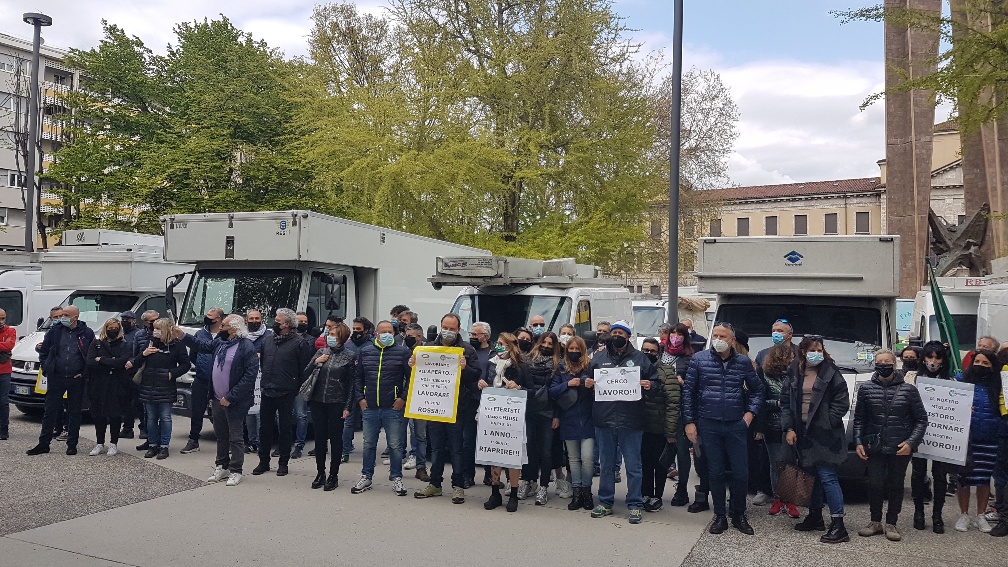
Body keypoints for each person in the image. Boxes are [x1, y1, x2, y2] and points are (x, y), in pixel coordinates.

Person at [683, 322, 765, 536]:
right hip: (708, 424)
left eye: (723, 336)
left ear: (732, 340)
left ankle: (738, 513)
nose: (718, 339)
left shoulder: (744, 363)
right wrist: (689, 422)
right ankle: (720, 516)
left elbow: (758, 390)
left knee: (740, 472)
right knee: (715, 472)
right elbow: (688, 393)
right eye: (715, 335)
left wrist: (750, 414)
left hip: (735, 425)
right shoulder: (699, 360)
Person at [781, 336, 852, 544]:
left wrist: (827, 421)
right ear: (803, 351)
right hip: (802, 433)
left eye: (820, 350)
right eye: (813, 350)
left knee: (828, 477)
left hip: (826, 434)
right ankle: (815, 517)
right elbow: (785, 401)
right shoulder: (794, 370)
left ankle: (839, 525)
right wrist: (789, 428)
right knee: (809, 477)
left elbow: (842, 401)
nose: (817, 354)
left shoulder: (831, 372)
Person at [854, 349, 928, 542]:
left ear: (894, 365)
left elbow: (921, 420)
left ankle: (892, 523)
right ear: (875, 364)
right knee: (875, 484)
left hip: (899, 446)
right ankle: (875, 522)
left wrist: (911, 443)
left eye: (888, 361)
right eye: (880, 362)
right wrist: (859, 441)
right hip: (875, 445)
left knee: (896, 485)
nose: (884, 365)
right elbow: (860, 419)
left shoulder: (909, 390)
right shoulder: (866, 388)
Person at [588, 320, 658, 525]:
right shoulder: (599, 357)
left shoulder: (640, 358)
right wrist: (588, 382)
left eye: (620, 332)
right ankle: (605, 502)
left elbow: (656, 382)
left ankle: (635, 504)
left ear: (627, 336)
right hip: (604, 419)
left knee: (634, 466)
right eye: (614, 332)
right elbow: (587, 379)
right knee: (607, 465)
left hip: (632, 420)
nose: (616, 335)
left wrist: (650, 385)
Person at [414, 314, 480, 503]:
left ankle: (458, 486)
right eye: (445, 327)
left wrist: (465, 368)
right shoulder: (428, 349)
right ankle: (435, 484)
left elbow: (475, 376)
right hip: (434, 406)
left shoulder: (467, 350)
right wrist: (412, 365)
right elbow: (418, 375)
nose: (448, 331)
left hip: (457, 408)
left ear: (458, 330)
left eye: (452, 328)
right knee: (435, 448)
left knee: (456, 448)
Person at [195, 314, 259, 487]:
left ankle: (236, 470)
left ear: (233, 329)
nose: (219, 328)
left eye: (223, 325)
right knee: (221, 435)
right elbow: (202, 345)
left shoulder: (246, 347)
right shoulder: (220, 342)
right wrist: (182, 336)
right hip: (216, 398)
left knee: (235, 437)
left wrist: (230, 397)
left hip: (234, 400)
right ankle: (221, 465)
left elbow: (249, 376)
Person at [248, 308, 312, 476]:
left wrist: (294, 386)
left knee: (285, 428)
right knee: (265, 428)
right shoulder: (268, 341)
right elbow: (264, 364)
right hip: (268, 389)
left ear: (288, 324)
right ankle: (263, 461)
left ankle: (283, 462)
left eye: (278, 320)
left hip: (286, 391)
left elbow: (304, 370)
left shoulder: (299, 343)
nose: (274, 322)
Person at [351, 320, 412, 497]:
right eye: (382, 331)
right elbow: (358, 377)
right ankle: (366, 476)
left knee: (395, 445)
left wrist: (402, 398)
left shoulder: (402, 352)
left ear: (393, 333)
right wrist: (360, 399)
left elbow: (411, 378)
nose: (386, 334)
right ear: (376, 334)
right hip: (370, 407)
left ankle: (396, 478)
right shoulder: (365, 351)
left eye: (389, 331)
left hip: (393, 407)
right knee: (369, 444)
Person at [27, 305, 95, 456]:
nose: (62, 317)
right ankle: (43, 444)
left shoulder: (87, 333)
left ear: (75, 317)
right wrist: (47, 368)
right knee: (50, 411)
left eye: (65, 315)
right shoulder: (54, 332)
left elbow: (90, 355)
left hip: (76, 378)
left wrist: (84, 373)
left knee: (74, 412)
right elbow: (44, 351)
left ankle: (72, 444)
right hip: (56, 376)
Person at [955, 349, 1004, 533]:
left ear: (992, 366)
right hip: (967, 438)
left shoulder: (999, 384)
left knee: (984, 479)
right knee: (964, 478)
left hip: (991, 437)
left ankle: (981, 515)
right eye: (977, 362)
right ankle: (964, 514)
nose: (980, 366)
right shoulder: (960, 381)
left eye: (985, 363)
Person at [304, 322, 355, 491]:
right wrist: (315, 362)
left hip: (337, 402)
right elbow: (305, 373)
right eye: (329, 334)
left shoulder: (350, 356)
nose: (330, 337)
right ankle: (320, 473)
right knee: (319, 439)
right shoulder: (321, 352)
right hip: (318, 401)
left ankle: (334, 475)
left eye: (334, 335)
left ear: (342, 338)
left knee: (335, 439)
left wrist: (347, 406)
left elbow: (351, 384)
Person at [483, 332, 531, 512]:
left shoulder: (521, 367)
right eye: (498, 342)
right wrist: (482, 384)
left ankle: (513, 494)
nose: (498, 346)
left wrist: (518, 388)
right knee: (495, 453)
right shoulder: (491, 363)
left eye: (502, 343)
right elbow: (486, 382)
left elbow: (532, 391)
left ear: (511, 347)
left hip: (513, 418)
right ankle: (495, 492)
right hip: (493, 415)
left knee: (512, 456)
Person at [910, 341, 954, 533]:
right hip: (917, 435)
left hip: (941, 436)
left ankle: (937, 515)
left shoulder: (952, 383)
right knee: (918, 473)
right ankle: (918, 512)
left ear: (943, 360)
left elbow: (956, 409)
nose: (933, 361)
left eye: (937, 357)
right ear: (923, 358)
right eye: (930, 357)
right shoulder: (912, 379)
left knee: (940, 474)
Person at [754, 336, 800, 519]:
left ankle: (791, 500)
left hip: (793, 426)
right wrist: (777, 403)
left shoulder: (797, 376)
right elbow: (760, 400)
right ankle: (778, 498)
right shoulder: (764, 376)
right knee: (775, 464)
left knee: (791, 463)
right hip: (772, 425)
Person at [663, 323, 707, 511]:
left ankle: (691, 491)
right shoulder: (661, 355)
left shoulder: (691, 357)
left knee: (689, 452)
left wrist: (683, 382)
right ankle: (671, 490)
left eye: (679, 334)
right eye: (673, 333)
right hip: (665, 409)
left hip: (685, 410)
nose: (675, 337)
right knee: (670, 453)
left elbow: (697, 383)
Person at [549, 335, 595, 511]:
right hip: (568, 419)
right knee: (573, 460)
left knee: (588, 459)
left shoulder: (590, 367)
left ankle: (587, 492)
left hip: (588, 419)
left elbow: (603, 388)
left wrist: (592, 385)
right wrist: (568, 383)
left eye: (578, 349)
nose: (574, 352)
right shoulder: (561, 368)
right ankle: (576, 493)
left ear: (583, 351)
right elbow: (552, 391)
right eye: (571, 349)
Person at [136, 318, 191, 459]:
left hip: (166, 385)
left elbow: (185, 364)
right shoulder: (150, 343)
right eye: (154, 328)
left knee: (165, 417)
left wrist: (172, 373)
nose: (155, 331)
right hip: (149, 384)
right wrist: (144, 354)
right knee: (151, 418)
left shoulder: (177, 345)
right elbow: (137, 361)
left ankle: (164, 446)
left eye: (158, 329)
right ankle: (153, 444)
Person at [519, 331, 561, 504]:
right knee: (530, 449)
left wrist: (557, 415)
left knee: (546, 451)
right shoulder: (527, 359)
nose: (546, 346)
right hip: (529, 409)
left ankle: (544, 486)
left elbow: (559, 393)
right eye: (544, 342)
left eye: (551, 344)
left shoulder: (558, 364)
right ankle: (530, 482)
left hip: (548, 411)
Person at [640, 337, 681, 513]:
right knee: (644, 464)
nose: (648, 353)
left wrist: (670, 431)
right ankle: (645, 494)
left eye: (652, 351)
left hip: (659, 428)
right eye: (645, 350)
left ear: (659, 352)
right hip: (640, 427)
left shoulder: (666, 372)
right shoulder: (634, 371)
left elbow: (673, 403)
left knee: (660, 465)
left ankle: (657, 496)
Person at [84, 318, 132, 456]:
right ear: (106, 328)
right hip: (98, 383)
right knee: (99, 415)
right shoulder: (97, 343)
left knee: (115, 415)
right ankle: (99, 443)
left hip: (116, 384)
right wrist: (110, 362)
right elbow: (90, 362)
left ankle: (113, 443)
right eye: (110, 328)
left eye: (115, 328)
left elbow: (121, 362)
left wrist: (103, 360)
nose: (112, 330)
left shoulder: (124, 344)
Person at [182, 307, 225, 455]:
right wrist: (202, 366)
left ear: (219, 318)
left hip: (219, 380)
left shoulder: (225, 335)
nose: (207, 318)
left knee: (221, 412)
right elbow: (194, 354)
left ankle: (226, 442)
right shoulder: (201, 333)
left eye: (210, 316)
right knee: (197, 410)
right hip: (202, 378)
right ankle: (193, 440)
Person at [464, 321, 493, 488]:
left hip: (490, 401)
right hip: (471, 400)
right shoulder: (468, 351)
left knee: (489, 440)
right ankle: (469, 475)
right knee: (469, 441)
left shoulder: (495, 351)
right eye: (471, 334)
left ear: (486, 336)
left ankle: (490, 475)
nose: (472, 337)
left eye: (476, 334)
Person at [402, 323, 429, 483]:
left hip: (421, 398)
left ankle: (421, 468)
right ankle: (396, 469)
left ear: (419, 337)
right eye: (407, 335)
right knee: (398, 436)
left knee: (420, 435)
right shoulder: (401, 350)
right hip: (403, 398)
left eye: (411, 336)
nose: (407, 338)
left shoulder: (428, 351)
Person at [243, 309, 270, 455]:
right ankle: (252, 441)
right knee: (249, 411)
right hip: (247, 377)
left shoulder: (268, 335)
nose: (254, 321)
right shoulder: (242, 335)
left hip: (263, 378)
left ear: (262, 319)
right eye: (251, 318)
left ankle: (261, 442)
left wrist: (262, 355)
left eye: (257, 318)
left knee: (260, 412)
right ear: (246, 320)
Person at [116, 310, 140, 440]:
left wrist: (132, 361)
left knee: (138, 402)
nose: (124, 321)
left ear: (134, 320)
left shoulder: (138, 334)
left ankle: (144, 429)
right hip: (121, 372)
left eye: (128, 319)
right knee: (124, 403)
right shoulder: (120, 333)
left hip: (135, 372)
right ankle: (127, 428)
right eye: (123, 318)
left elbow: (139, 352)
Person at [0, 308, 15, 441]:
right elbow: (5, 346)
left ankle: (4, 430)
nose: (1, 321)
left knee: (4, 402)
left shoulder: (11, 330)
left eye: (3, 318)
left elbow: (9, 346)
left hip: (4, 371)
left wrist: (5, 346)